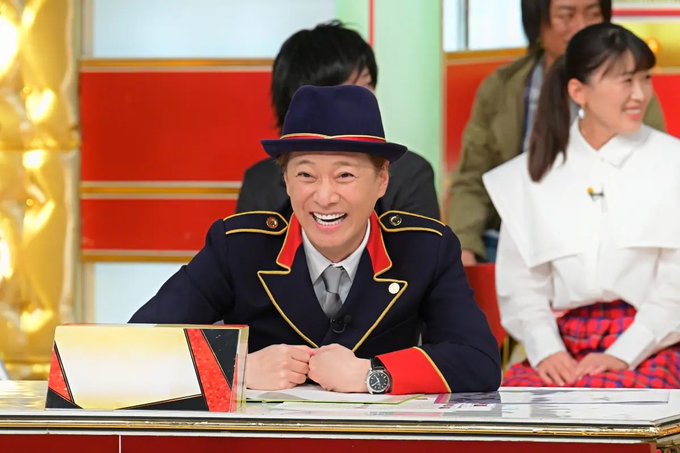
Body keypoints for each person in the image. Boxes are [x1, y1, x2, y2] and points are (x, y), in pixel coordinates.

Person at [131, 85, 501, 394]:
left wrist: (372, 374)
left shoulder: (425, 248)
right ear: (285, 180)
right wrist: (236, 369)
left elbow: (479, 361)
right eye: (306, 175)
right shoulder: (238, 247)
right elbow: (136, 345)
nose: (324, 197)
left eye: (345, 176)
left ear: (382, 180)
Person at [483, 23, 680, 388]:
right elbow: (522, 287)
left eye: (645, 78)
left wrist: (624, 353)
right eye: (625, 81)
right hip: (562, 344)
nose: (640, 94)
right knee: (518, 407)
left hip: (652, 343)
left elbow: (675, 286)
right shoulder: (530, 175)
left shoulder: (672, 162)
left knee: (618, 404)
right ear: (578, 91)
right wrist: (547, 351)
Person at [448, 0, 666, 266]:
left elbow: (653, 172)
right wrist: (464, 246)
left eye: (593, 14)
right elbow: (471, 179)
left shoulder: (632, 93)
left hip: (611, 244)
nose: (581, 26)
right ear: (536, 23)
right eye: (566, 15)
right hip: (515, 237)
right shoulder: (503, 88)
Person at [236, 21, 440, 220]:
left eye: (367, 85)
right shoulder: (260, 183)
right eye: (346, 91)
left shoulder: (409, 175)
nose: (364, 100)